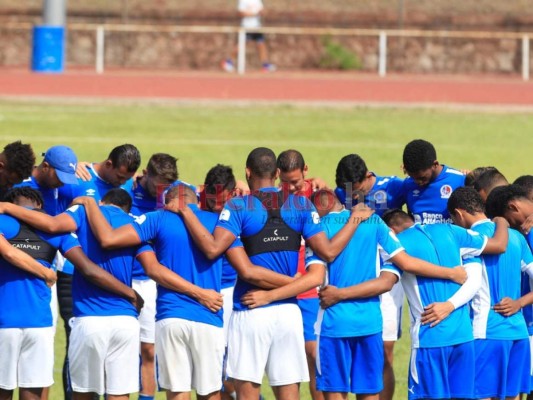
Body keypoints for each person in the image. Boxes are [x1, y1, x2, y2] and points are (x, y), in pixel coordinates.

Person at [168, 148, 377, 400]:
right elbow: (329, 252)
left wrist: (186, 212)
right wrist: (354, 219)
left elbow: (214, 250)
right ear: (277, 173)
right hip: (288, 314)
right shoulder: (301, 204)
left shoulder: (238, 206)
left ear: (247, 172)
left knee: (247, 394)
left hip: (251, 310)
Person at [241, 189, 471, 400]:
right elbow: (397, 271)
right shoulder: (375, 223)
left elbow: (316, 277)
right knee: (369, 393)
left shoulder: (318, 231)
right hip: (369, 324)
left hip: (333, 325)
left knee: (334, 393)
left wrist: (271, 296)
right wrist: (451, 273)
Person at [71, 185, 226, 400]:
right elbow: (242, 265)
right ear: (197, 201)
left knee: (178, 391)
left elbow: (110, 239)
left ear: (168, 202)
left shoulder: (157, 218)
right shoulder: (219, 222)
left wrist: (89, 203)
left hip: (172, 316)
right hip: (210, 315)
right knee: (211, 392)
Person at [0, 187, 142, 400]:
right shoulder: (57, 234)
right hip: (40, 325)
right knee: (32, 394)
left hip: (4, 323)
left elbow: (10, 253)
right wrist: (129, 293)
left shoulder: (3, 223)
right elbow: (88, 268)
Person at [381, 208, 508, 400]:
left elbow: (387, 281)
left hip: (430, 337)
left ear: (390, 230)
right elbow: (496, 247)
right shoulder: (452, 231)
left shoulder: (396, 244)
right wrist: (501, 220)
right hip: (464, 337)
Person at [448, 187, 533, 399]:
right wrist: (519, 303)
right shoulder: (516, 237)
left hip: (485, 332)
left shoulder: (467, 238)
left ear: (458, 214)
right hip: (518, 333)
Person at [334, 153, 405, 400]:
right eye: (347, 192)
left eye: (357, 190)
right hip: (352, 271)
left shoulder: (393, 186)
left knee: (384, 351)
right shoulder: (338, 193)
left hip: (386, 275)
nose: (352, 196)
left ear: (368, 177)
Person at [276, 149, 325, 400]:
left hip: (307, 291)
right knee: (285, 362)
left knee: (314, 356)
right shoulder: (268, 199)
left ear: (305, 172)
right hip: (277, 291)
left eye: (295, 182)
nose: (291, 187)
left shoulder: (319, 197)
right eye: (284, 182)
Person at [199, 164, 238, 400]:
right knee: (210, 365)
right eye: (213, 199)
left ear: (232, 194)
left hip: (231, 293)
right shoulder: (194, 209)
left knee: (231, 363)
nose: (218, 206)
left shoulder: (240, 210)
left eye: (223, 200)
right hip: (203, 294)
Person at [401, 139, 465, 224]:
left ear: (435, 165)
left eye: (422, 178)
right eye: (413, 177)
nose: (418, 182)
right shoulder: (408, 184)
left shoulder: (459, 180)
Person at [221, 0, 276, 72]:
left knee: (261, 44)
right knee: (241, 45)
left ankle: (265, 64)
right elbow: (240, 13)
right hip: (247, 27)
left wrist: (262, 12)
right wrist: (253, 14)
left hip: (256, 27)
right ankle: (228, 62)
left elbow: (262, 11)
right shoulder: (243, 1)